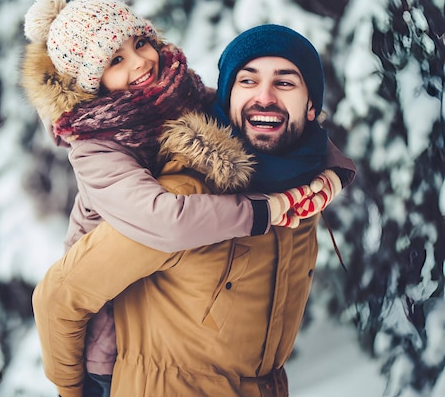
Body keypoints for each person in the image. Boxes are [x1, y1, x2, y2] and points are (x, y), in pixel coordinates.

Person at [31, 23, 357, 397]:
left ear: (312, 105)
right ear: (227, 98)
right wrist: (74, 391)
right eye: (247, 81)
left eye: (285, 82)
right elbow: (57, 297)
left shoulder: (304, 195)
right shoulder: (185, 196)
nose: (264, 96)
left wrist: (334, 175)